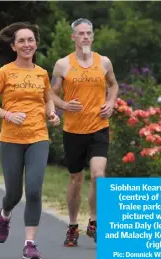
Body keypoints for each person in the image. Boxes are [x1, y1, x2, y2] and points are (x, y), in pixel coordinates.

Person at [0, 22, 60, 259]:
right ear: (14, 46)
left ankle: (29, 245)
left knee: (34, 190)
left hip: (38, 137)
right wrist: (8, 115)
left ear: (36, 44)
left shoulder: (42, 73)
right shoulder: (4, 72)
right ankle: (5, 214)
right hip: (11, 139)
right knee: (14, 193)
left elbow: (47, 99)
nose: (27, 44)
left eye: (31, 40)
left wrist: (52, 114)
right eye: (22, 41)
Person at [50, 18, 119, 246]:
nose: (86, 37)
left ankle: (94, 222)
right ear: (73, 37)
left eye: (89, 33)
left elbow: (113, 85)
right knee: (75, 180)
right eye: (81, 33)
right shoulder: (63, 65)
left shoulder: (104, 62)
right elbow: (51, 95)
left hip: (99, 127)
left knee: (99, 174)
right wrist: (63, 105)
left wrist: (110, 103)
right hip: (73, 130)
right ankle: (72, 226)